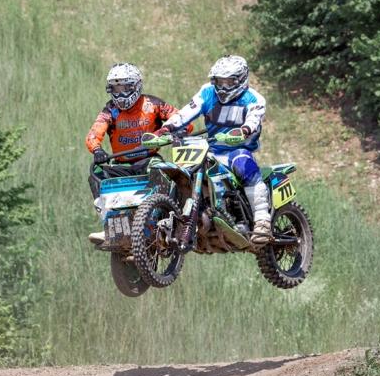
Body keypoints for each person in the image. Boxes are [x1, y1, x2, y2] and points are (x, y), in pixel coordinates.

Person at [159, 54, 272, 245]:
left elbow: (253, 119)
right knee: (184, 170)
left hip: (237, 149)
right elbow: (186, 112)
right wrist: (166, 128)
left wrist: (244, 130)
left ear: (241, 79)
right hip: (210, 150)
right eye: (220, 81)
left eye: (229, 81)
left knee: (243, 163)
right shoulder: (207, 92)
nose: (223, 86)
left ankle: (262, 220)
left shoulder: (254, 98)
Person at [86, 62, 179, 243]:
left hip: (148, 159)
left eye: (124, 88)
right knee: (96, 173)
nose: (119, 94)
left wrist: (170, 131)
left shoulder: (154, 104)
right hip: (121, 164)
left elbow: (182, 119)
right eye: (115, 88)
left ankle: (170, 220)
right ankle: (108, 224)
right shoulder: (110, 110)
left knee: (165, 172)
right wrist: (97, 150)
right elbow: (93, 134)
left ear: (135, 86)